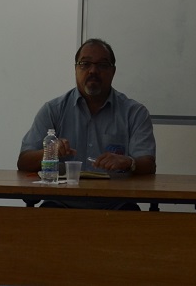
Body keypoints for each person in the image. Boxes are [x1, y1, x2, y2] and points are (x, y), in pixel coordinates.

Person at [18, 38, 156, 209]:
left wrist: (128, 162)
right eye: (85, 64)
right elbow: (23, 162)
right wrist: (50, 151)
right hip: (61, 203)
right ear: (76, 69)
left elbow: (148, 164)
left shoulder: (134, 113)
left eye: (102, 65)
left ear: (113, 71)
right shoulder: (53, 110)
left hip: (117, 205)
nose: (93, 70)